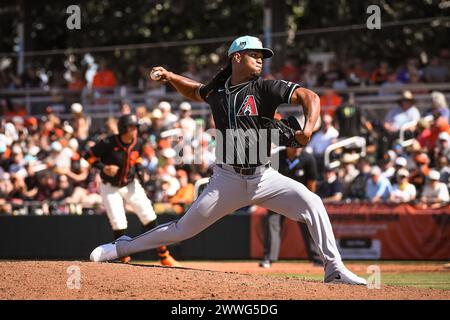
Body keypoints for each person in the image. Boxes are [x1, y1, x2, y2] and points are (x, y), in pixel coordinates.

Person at [90, 35, 366, 285]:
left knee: (313, 203)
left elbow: (309, 96)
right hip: (227, 180)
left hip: (264, 177)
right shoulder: (217, 93)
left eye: (262, 55)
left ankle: (334, 268)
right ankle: (120, 247)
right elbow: (194, 91)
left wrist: (307, 129)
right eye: (254, 54)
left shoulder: (265, 89)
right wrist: (171, 76)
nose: (260, 59)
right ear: (237, 57)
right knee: (181, 230)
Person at [85, 113, 180, 266]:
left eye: (136, 127)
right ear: (122, 128)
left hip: (130, 183)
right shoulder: (108, 142)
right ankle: (122, 256)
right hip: (110, 186)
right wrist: (103, 167)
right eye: (131, 127)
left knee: (149, 215)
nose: (135, 130)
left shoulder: (138, 142)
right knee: (118, 221)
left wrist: (140, 169)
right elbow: (88, 156)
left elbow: (136, 158)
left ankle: (164, 255)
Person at [259, 146, 321, 268]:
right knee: (272, 224)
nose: (298, 148)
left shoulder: (308, 158)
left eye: (301, 145)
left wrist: (308, 200)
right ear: (288, 145)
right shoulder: (277, 157)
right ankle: (268, 258)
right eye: (295, 145)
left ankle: (316, 258)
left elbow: (311, 182)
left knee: (309, 225)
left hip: (299, 200)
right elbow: (267, 178)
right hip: (278, 198)